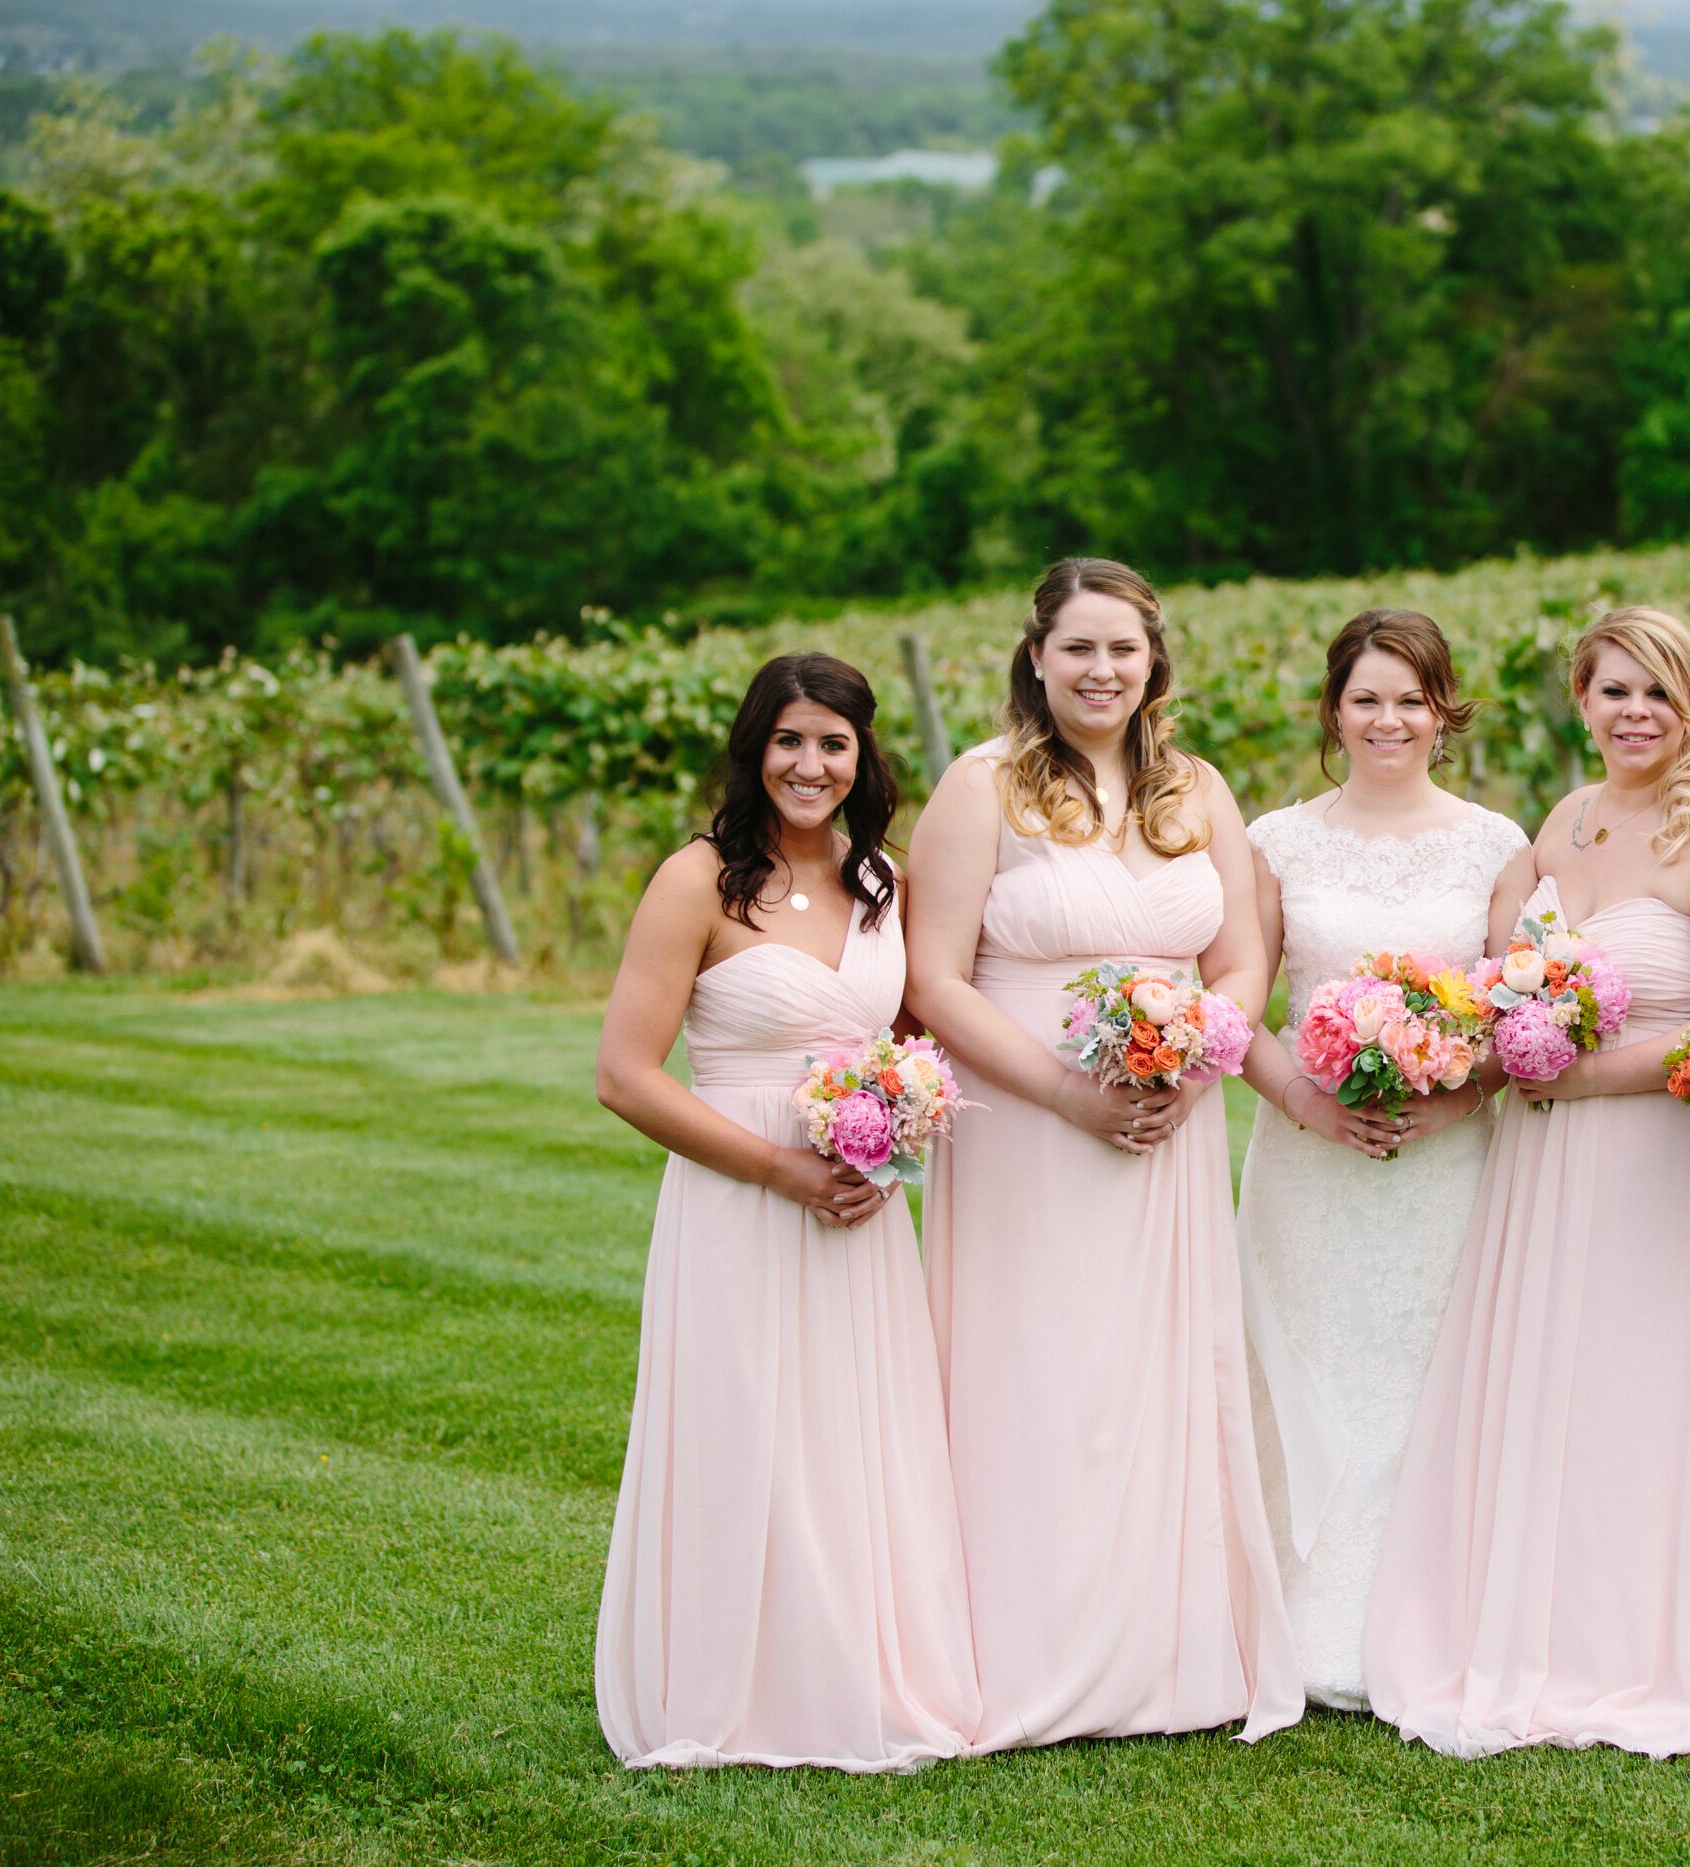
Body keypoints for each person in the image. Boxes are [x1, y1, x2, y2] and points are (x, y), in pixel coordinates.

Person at [1364, 606, 1690, 1759]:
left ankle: (1626, 1641)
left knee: (1637, 1385)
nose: (1634, 712)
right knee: (1549, 1374)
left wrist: (1582, 1076)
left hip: (1648, 1152)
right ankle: (1531, 1622)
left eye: (1658, 691)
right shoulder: (1567, 818)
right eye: (1612, 691)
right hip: (1540, 1163)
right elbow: (1509, 980)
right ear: (1581, 702)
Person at [905, 557, 1302, 1748]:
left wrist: (1197, 1054)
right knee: (1038, 1368)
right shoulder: (981, 787)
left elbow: (1239, 958)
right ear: (1036, 657)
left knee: (1156, 1374)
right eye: (1077, 647)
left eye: (1122, 649)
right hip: (1028, 1123)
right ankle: (1023, 1652)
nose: (1100, 670)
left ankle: (1158, 1650)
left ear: (1153, 661)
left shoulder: (1196, 792)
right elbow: (934, 977)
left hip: (1167, 1123)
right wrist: (1068, 1098)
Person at [593, 652, 976, 1770]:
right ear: (754, 749)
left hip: (860, 1205)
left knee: (856, 1433)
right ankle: (731, 1687)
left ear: (863, 759)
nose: (810, 765)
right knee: (747, 1428)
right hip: (739, 1202)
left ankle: (860, 1671)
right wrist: (777, 1168)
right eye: (789, 740)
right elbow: (627, 1074)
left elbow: (911, 1035)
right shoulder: (696, 881)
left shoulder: (883, 885)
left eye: (834, 743)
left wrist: (896, 1116)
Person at [1234, 608, 1529, 1709]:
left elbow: (1521, 1018)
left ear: (1443, 711)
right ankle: (1293, 1614)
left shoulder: (1497, 843)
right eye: (1367, 698)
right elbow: (1241, 1005)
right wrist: (1310, 1103)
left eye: (1410, 698)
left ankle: (1418, 1609)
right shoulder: (1276, 842)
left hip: (1446, 1157)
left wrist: (1457, 1102)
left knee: (1422, 1371)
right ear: (1333, 710)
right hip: (1307, 1157)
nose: (1388, 719)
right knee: (1306, 1365)